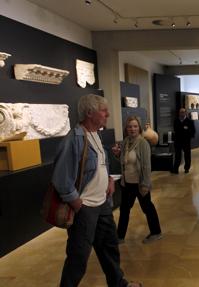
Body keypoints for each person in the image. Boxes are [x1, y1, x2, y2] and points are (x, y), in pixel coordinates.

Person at [52, 94, 141, 287]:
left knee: (109, 248)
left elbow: (101, 163)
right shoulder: (74, 138)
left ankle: (118, 283)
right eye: (103, 110)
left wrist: (108, 179)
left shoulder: (96, 134)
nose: (107, 114)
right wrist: (76, 202)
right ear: (90, 112)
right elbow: (61, 178)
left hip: (102, 204)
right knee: (79, 257)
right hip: (85, 208)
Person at [112, 116, 162, 244]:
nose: (132, 129)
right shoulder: (125, 142)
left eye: (135, 126)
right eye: (129, 126)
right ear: (126, 128)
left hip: (140, 184)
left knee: (147, 208)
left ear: (139, 128)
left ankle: (156, 232)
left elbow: (146, 166)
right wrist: (117, 155)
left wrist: (145, 184)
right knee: (124, 209)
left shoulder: (143, 143)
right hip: (127, 183)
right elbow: (125, 163)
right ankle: (120, 236)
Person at [172, 108, 195, 174]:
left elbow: (192, 132)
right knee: (177, 155)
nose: (181, 113)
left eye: (183, 112)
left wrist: (186, 133)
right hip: (178, 141)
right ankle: (175, 169)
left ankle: (186, 168)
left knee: (187, 155)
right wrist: (184, 129)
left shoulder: (190, 121)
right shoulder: (176, 121)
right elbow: (176, 130)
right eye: (180, 112)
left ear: (185, 113)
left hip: (186, 142)